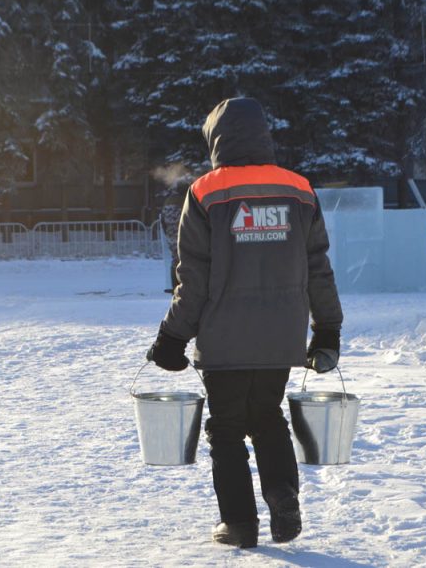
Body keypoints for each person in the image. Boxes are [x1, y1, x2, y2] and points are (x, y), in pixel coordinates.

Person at [145, 97, 343, 549]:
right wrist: (327, 329)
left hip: (224, 339)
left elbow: (193, 279)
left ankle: (239, 523)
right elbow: (318, 267)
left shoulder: (205, 192)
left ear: (216, 139)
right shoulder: (298, 189)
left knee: (227, 429)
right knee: (268, 418)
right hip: (280, 337)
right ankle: (282, 495)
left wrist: (172, 337)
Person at [160, 185, 185, 293]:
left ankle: (175, 286)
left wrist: (168, 233)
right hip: (184, 235)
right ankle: (184, 286)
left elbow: (163, 220)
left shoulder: (168, 201)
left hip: (171, 235)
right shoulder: (185, 201)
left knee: (175, 260)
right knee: (187, 260)